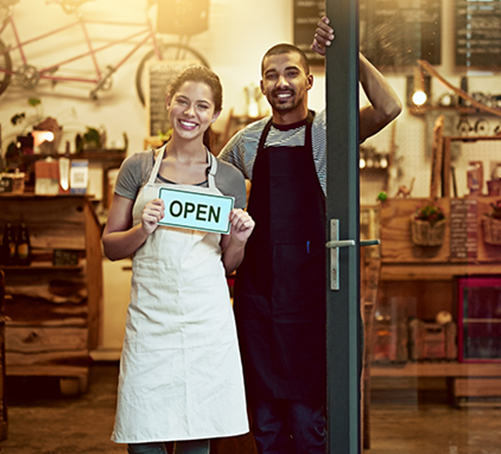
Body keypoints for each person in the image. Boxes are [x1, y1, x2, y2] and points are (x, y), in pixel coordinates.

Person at [219, 16, 402, 454]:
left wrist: (348, 53)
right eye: (271, 75)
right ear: (261, 86)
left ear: (309, 80)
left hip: (316, 295)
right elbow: (211, 184)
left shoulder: (329, 131)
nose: (281, 83)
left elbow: (390, 107)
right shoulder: (245, 143)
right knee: (264, 420)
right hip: (260, 299)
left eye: (291, 73)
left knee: (308, 421)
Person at [103, 65, 255, 454]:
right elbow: (109, 246)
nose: (191, 113)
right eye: (183, 102)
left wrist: (238, 239)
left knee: (196, 436)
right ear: (169, 104)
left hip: (205, 322)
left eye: (202, 106)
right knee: (143, 435)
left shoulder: (229, 179)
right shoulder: (137, 168)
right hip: (151, 322)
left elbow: (228, 264)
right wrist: (142, 230)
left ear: (215, 114)